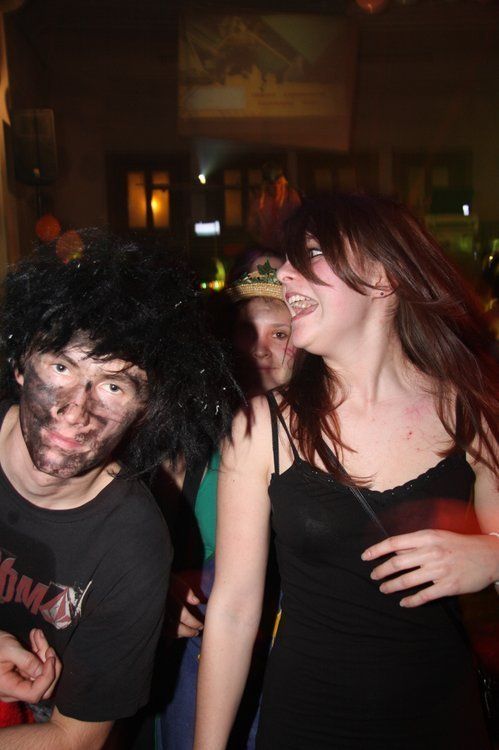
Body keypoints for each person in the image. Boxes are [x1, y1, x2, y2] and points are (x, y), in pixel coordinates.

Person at [194, 193, 499, 750]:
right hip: (305, 727)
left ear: (382, 278)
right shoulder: (262, 427)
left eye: (309, 254)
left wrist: (493, 556)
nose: (285, 274)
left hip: (444, 724)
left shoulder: (471, 410)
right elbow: (234, 611)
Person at [0, 230, 235, 748]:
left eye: (113, 386)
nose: (76, 410)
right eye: (61, 366)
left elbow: (74, 739)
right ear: (19, 364)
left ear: (145, 411)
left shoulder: (134, 542)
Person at [157, 261, 295, 750]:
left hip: (293, 663)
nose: (262, 348)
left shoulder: (329, 441)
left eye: (280, 334)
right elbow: (145, 538)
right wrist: (161, 587)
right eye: (247, 332)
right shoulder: (190, 436)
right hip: (202, 654)